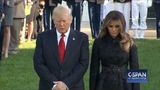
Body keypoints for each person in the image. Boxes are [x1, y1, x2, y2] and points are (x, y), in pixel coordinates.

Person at [33, 5, 89, 90]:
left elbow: (83, 64)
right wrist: (54, 84)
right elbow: (38, 63)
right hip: (49, 86)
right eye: (58, 21)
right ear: (53, 20)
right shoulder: (43, 38)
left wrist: (66, 83)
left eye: (64, 21)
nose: (61, 24)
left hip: (74, 86)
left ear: (70, 19)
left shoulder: (81, 39)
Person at [90, 11, 140, 90]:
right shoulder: (98, 42)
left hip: (125, 84)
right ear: (106, 26)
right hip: (103, 84)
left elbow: (135, 69)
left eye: (117, 26)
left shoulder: (130, 42)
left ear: (122, 26)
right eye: (110, 26)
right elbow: (94, 70)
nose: (114, 29)